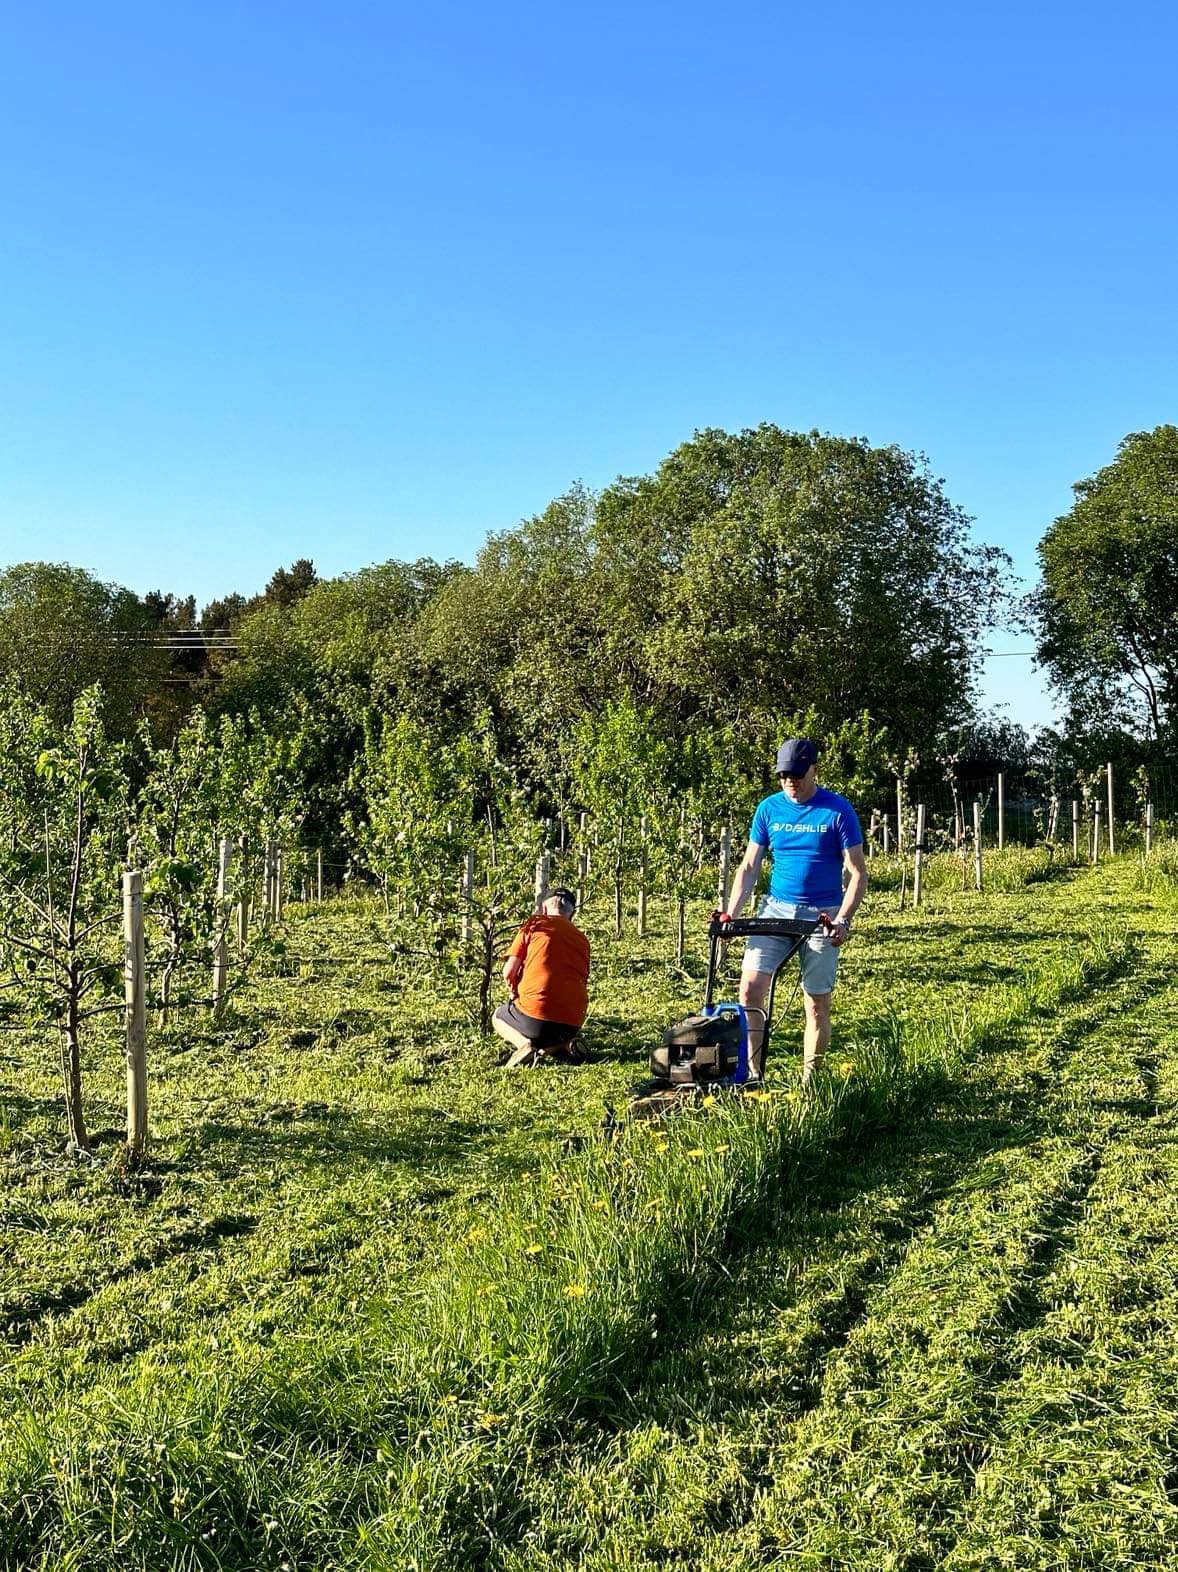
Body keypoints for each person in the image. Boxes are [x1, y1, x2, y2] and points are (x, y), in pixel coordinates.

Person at [721, 737, 867, 1084]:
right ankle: (754, 1074)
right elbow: (749, 867)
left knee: (816, 1003)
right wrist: (731, 914)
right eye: (784, 775)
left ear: (814, 769)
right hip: (776, 909)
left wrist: (843, 919)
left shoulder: (837, 810)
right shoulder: (769, 809)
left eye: (798, 774)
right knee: (749, 991)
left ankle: (810, 1080)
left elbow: (858, 872)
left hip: (823, 914)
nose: (791, 782)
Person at [493, 887, 591, 1067]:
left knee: (498, 1016)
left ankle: (524, 1045)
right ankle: (562, 1046)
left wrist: (514, 993)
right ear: (572, 914)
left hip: (536, 1017)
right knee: (552, 1031)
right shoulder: (582, 939)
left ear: (544, 908)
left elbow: (508, 972)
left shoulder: (534, 924)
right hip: (573, 1022)